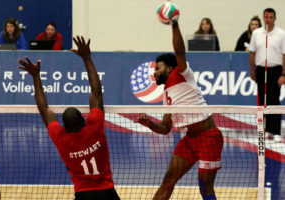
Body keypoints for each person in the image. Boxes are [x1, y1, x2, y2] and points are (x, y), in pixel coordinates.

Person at [17, 36, 120, 200]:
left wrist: (36, 77)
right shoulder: (95, 127)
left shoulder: (61, 138)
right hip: (107, 192)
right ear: (84, 120)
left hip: (82, 194)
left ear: (64, 126)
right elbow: (96, 92)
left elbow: (44, 109)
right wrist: (87, 58)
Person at [136, 21, 223, 200]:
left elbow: (179, 51)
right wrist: (150, 124)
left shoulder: (182, 74)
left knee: (204, 186)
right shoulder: (166, 95)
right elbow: (166, 128)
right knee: (168, 180)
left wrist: (174, 24)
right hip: (190, 140)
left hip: (209, 137)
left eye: (157, 69)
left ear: (169, 68)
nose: (154, 73)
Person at [249, 8, 285, 143]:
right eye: (266, 17)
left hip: (275, 71)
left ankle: (276, 131)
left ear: (274, 18)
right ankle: (266, 130)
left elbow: (284, 55)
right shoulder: (257, 33)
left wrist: (283, 74)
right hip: (260, 70)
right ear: (263, 18)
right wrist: (252, 71)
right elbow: (252, 53)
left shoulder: (281, 34)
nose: (268, 19)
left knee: (274, 99)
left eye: (270, 17)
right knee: (263, 101)